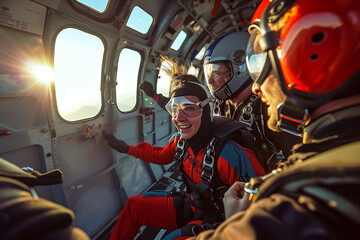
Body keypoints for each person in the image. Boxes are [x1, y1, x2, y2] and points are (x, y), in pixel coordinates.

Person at [189, 0, 360, 239]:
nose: (256, 85)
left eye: (261, 64)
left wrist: (238, 221)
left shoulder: (304, 205)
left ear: (306, 57)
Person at [104, 59, 265, 240]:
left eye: (189, 108)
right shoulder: (181, 142)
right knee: (135, 206)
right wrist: (127, 148)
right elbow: (160, 156)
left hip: (222, 220)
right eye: (174, 109)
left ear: (205, 111)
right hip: (195, 205)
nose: (178, 118)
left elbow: (263, 207)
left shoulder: (231, 156)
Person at [203, 31, 301, 173]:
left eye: (216, 73)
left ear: (240, 67)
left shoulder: (269, 109)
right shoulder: (220, 105)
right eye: (208, 74)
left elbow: (300, 161)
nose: (210, 81)